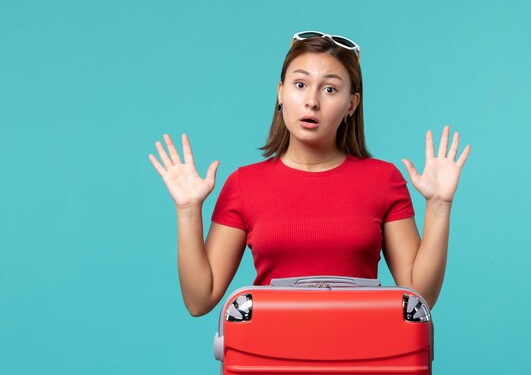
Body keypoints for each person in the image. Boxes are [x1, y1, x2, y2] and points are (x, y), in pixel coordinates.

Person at [148, 31, 471, 317]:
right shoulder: (244, 184)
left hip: (363, 356)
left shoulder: (383, 179)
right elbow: (199, 300)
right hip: (269, 357)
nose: (312, 102)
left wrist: (439, 205)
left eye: (330, 89)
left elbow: (421, 295)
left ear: (351, 104)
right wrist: (188, 210)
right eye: (300, 84)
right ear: (280, 92)